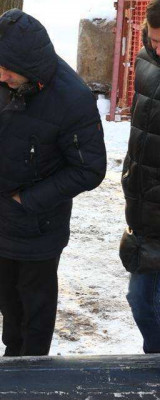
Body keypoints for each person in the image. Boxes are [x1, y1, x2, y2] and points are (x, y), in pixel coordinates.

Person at [0, 9, 107, 356]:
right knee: (7, 300)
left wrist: (28, 200)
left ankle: (33, 368)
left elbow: (90, 169)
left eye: (7, 71)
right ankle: (13, 357)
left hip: (37, 227)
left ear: (28, 67)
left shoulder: (72, 99)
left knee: (35, 309)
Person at [120, 0, 160, 355]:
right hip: (145, 208)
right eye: (154, 40)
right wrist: (130, 175)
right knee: (140, 300)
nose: (158, 49)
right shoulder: (145, 60)